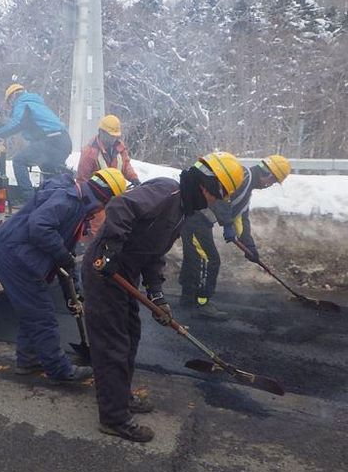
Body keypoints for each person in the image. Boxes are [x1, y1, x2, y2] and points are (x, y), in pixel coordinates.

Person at [81, 152, 244, 443]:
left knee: (130, 336)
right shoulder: (167, 191)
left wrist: (157, 294)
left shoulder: (182, 211)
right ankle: (113, 417)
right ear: (205, 185)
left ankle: (121, 396)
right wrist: (109, 250)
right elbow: (121, 206)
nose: (213, 202)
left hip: (125, 274)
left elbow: (153, 255)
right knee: (113, 346)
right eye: (216, 195)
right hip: (104, 271)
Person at [0, 167, 128, 384]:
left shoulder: (80, 202)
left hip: (17, 252)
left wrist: (73, 290)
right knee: (42, 313)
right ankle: (59, 371)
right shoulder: (69, 200)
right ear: (105, 197)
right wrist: (62, 255)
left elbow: (66, 252)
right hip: (14, 255)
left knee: (33, 311)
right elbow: (39, 227)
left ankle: (28, 359)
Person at [179, 154, 291, 320]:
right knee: (209, 259)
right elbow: (219, 196)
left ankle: (188, 298)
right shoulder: (242, 176)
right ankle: (202, 303)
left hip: (200, 220)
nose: (269, 185)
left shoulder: (247, 186)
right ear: (268, 175)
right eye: (273, 182)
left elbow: (241, 217)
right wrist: (227, 224)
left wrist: (249, 246)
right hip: (194, 216)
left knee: (195, 258)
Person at [0, 84, 71, 199]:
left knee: (19, 161)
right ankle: (54, 198)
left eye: (9, 102)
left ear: (12, 97)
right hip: (64, 142)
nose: (10, 106)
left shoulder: (22, 103)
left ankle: (29, 200)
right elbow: (23, 124)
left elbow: (17, 124)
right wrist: (3, 126)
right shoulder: (36, 104)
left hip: (51, 141)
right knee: (47, 167)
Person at [75, 114, 141, 239]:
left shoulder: (119, 148)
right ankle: (95, 250)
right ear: (101, 132)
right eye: (111, 136)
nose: (113, 139)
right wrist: (88, 203)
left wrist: (134, 178)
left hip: (116, 193)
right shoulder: (90, 153)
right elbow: (82, 180)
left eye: (115, 136)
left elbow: (125, 165)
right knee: (99, 227)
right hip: (98, 197)